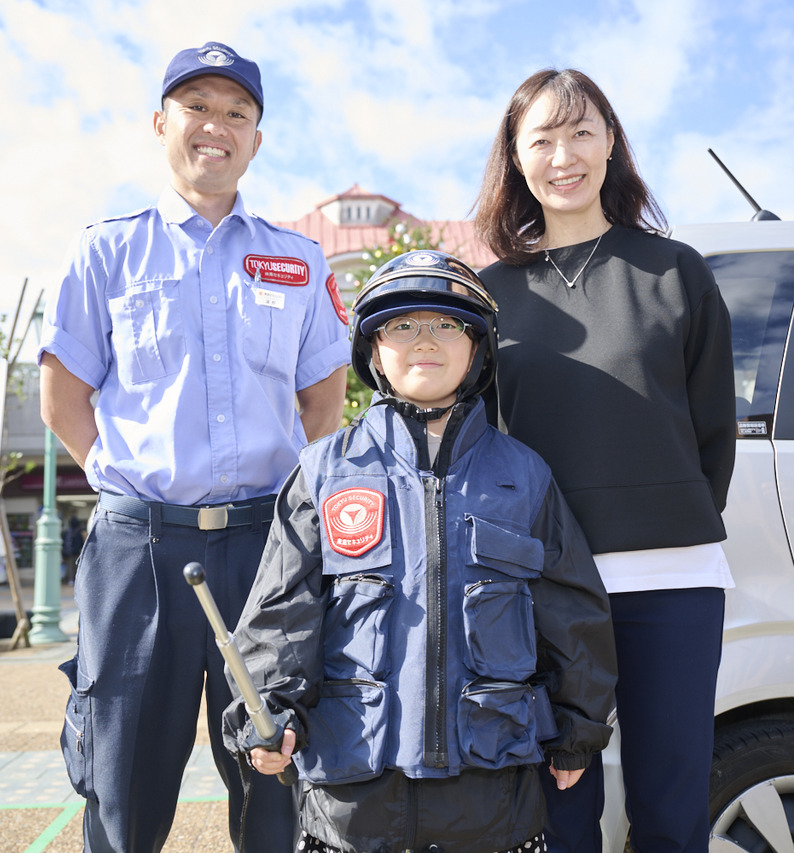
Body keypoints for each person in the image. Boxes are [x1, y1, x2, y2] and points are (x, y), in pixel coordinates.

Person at [36, 41, 350, 853]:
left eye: (237, 113)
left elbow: (323, 397)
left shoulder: (297, 257)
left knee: (275, 771)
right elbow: (63, 394)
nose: (217, 126)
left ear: (256, 138)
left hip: (266, 551)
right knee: (124, 775)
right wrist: (122, 481)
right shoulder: (104, 250)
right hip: (138, 549)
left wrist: (284, 508)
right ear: (160, 123)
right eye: (197, 107)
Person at [221, 250, 617, 853]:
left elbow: (572, 606)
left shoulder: (525, 475)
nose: (424, 340)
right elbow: (282, 610)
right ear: (373, 350)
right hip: (354, 802)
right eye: (402, 325)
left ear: (477, 348)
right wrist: (268, 713)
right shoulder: (324, 472)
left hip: (494, 800)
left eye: (446, 324)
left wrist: (580, 726)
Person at [473, 69, 737, 853]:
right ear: (517, 159)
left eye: (582, 131)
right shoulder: (489, 295)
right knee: (558, 810)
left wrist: (658, 512)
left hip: (672, 578)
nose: (565, 155)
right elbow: (483, 441)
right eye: (543, 139)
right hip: (539, 586)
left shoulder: (676, 270)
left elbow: (713, 431)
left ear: (612, 142)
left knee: (670, 797)